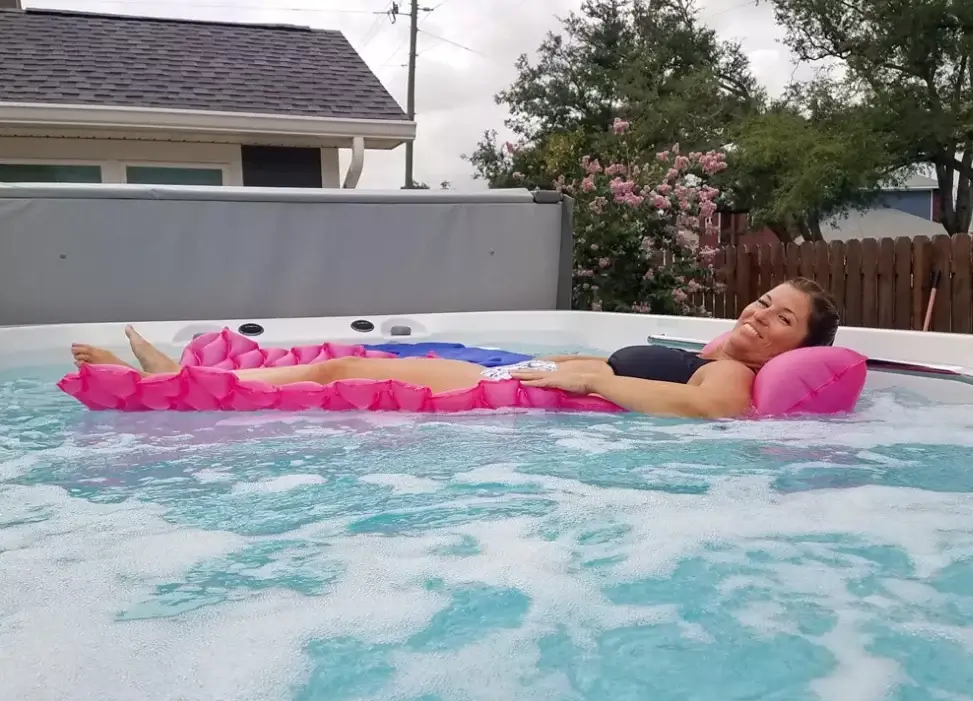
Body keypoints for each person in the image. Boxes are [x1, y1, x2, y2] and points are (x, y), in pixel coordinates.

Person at [71, 277, 839, 420]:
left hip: (535, 393)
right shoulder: (717, 351)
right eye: (764, 302)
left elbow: (701, 413)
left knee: (347, 379)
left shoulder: (735, 379)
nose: (760, 316)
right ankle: (196, 374)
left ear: (798, 350)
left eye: (783, 320)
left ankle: (183, 385)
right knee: (348, 365)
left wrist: (590, 382)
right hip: (532, 378)